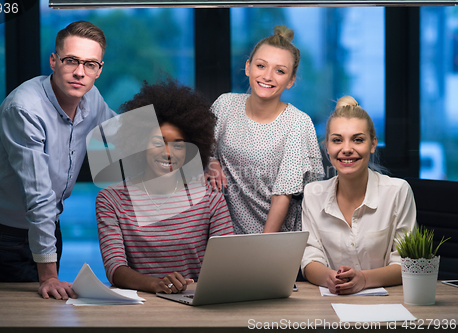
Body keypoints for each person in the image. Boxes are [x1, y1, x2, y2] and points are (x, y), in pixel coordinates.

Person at [0, 21, 115, 300]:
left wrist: (194, 157)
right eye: (71, 60)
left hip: (49, 226)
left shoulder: (92, 98)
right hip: (5, 237)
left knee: (49, 312)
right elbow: (39, 195)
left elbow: (122, 134)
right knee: (21, 318)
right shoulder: (24, 108)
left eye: (90, 64)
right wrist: (49, 275)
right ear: (53, 61)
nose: (79, 72)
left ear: (99, 69)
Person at [95, 79, 234, 294]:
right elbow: (115, 269)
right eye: (158, 142)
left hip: (196, 305)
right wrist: (156, 284)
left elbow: (227, 264)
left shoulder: (209, 198)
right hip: (140, 307)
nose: (168, 153)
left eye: (178, 144)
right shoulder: (111, 200)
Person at [206, 26, 324, 234]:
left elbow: (283, 196)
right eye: (261, 66)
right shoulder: (224, 105)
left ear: (291, 80)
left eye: (280, 71)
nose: (268, 76)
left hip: (274, 237)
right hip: (223, 233)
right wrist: (211, 161)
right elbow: (200, 148)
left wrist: (263, 248)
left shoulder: (298, 123)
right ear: (248, 67)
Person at [300, 96, 417, 295]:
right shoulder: (313, 194)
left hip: (387, 305)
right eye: (337, 140)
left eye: (358, 139)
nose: (346, 149)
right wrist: (329, 277)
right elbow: (310, 258)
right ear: (326, 147)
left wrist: (362, 279)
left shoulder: (398, 191)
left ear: (372, 144)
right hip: (330, 304)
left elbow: (407, 263)